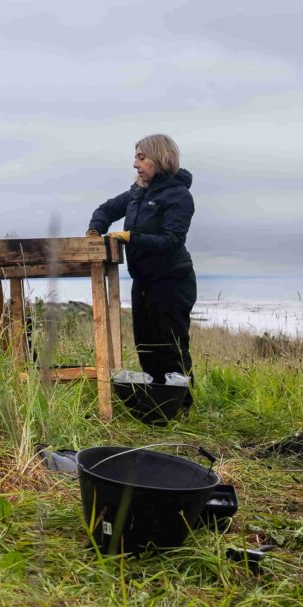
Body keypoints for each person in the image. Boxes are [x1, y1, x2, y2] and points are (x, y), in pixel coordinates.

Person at [86, 134, 196, 407]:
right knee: (146, 346)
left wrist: (130, 237)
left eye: (141, 157)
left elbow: (172, 241)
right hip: (144, 281)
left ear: (160, 157)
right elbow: (106, 208)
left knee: (171, 346)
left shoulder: (179, 196)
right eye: (135, 157)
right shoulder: (137, 192)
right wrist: (94, 230)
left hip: (173, 281)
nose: (135, 164)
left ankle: (183, 407)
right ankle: (158, 406)